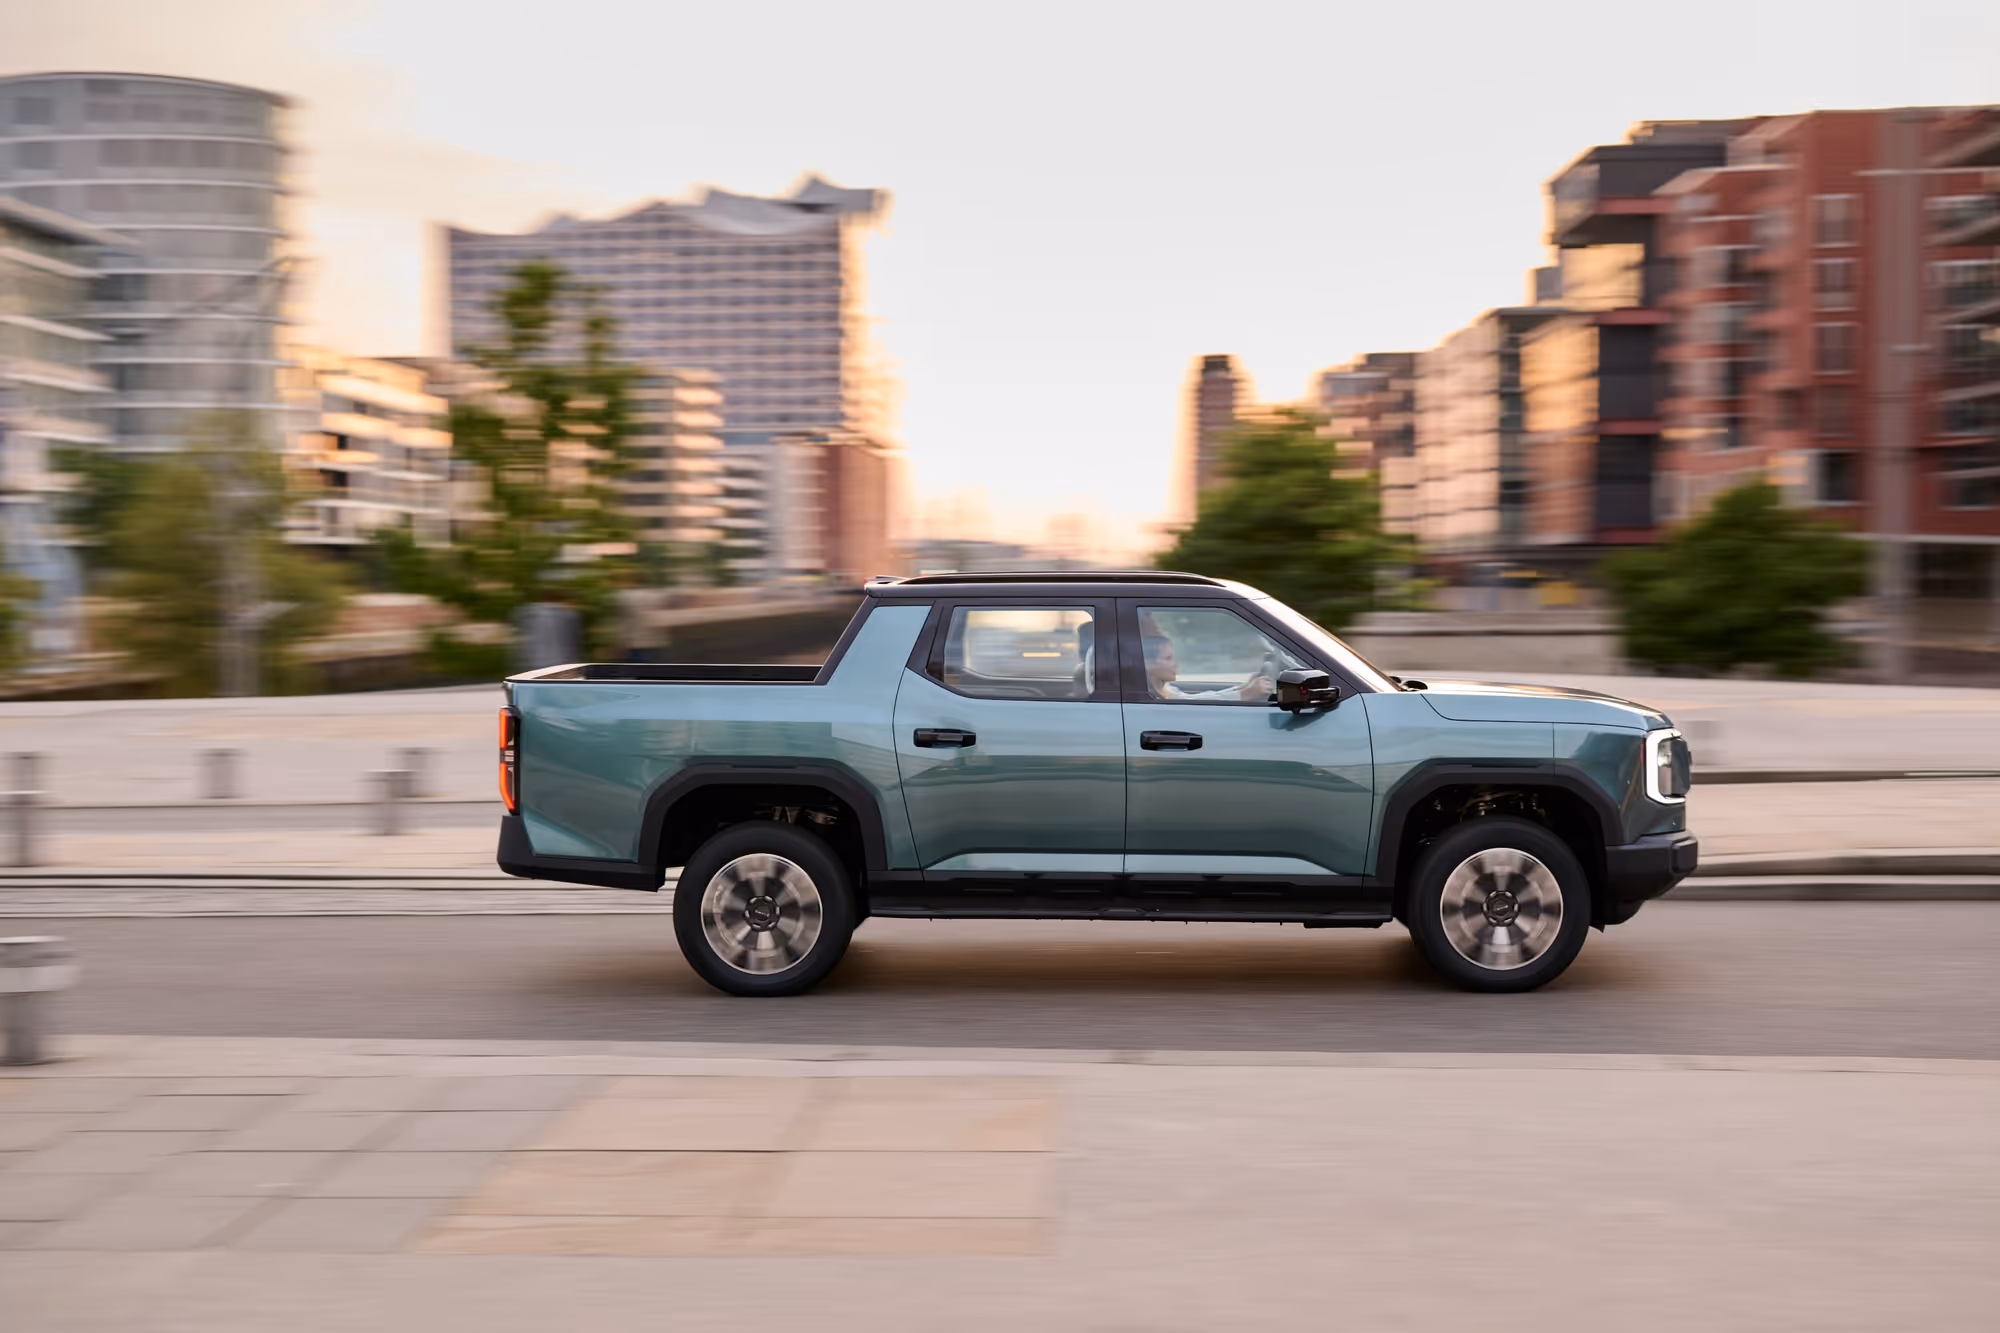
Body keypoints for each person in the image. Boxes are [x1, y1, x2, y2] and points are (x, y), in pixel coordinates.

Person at [1142, 633, 1273, 702]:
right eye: (1168, 658)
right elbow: (1192, 705)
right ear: (1147, 663)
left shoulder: (1165, 690)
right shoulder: (1154, 698)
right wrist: (1246, 693)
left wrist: (1243, 687)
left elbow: (1198, 698)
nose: (1175, 663)